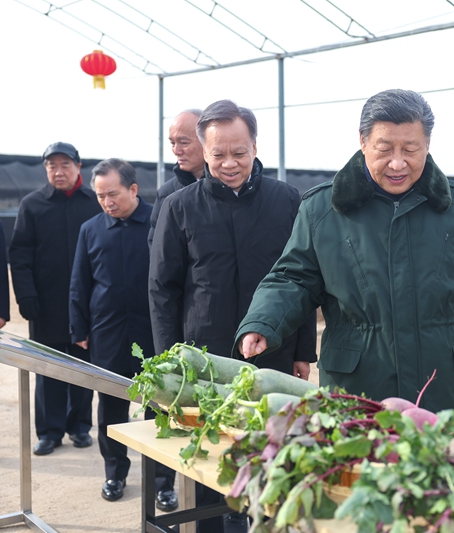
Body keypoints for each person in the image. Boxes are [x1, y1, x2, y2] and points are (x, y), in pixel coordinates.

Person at [236, 89, 454, 425]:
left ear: (427, 144)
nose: (397, 163)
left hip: (443, 393)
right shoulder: (322, 209)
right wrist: (263, 321)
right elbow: (293, 278)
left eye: (410, 149)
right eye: (384, 149)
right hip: (358, 393)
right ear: (363, 141)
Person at [149, 99, 317, 532]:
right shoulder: (179, 206)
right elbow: (163, 289)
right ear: (203, 152)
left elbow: (302, 278)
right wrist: (171, 361)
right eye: (218, 154)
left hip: (272, 352)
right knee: (208, 456)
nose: (229, 163)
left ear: (255, 147)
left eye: (239, 152)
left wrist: (303, 350)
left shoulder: (286, 200)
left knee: (268, 453)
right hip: (203, 357)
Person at [69, 159, 154, 502]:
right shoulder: (91, 229)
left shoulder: (158, 222)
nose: (106, 202)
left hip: (152, 332)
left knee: (159, 406)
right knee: (110, 408)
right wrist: (79, 328)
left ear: (133, 189)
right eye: (100, 196)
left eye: (112, 194)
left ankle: (162, 482)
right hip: (107, 332)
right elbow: (80, 282)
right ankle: (115, 474)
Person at [9, 142, 101, 456]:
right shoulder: (32, 205)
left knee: (82, 366)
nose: (58, 172)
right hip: (44, 305)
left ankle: (79, 426)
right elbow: (19, 255)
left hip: (86, 305)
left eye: (64, 165)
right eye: (52, 166)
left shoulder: (94, 203)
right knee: (47, 368)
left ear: (78, 166)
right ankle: (49, 432)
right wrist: (26, 295)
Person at [148, 109, 205, 247]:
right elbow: (158, 248)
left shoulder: (232, 185)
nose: (176, 150)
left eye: (184, 142)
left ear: (208, 141)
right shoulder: (167, 193)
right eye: (172, 143)